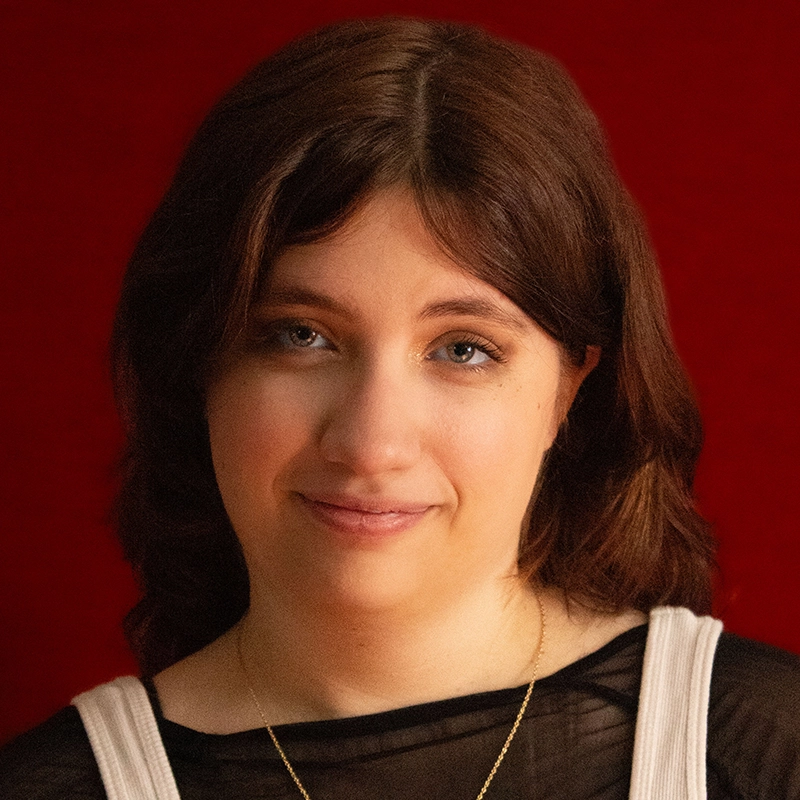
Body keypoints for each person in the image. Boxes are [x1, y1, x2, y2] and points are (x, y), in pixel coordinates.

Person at [1, 16, 798, 800]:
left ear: (568, 389)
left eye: (463, 349)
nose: (371, 443)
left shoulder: (765, 749)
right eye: (300, 335)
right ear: (198, 361)